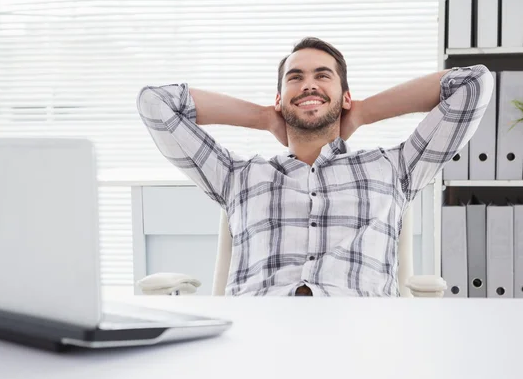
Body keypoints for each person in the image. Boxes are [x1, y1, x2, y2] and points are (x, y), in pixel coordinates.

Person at [136, 37, 493, 297]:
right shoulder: (236, 176)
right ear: (279, 98)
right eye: (295, 77)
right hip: (258, 342)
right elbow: (156, 103)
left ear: (345, 96)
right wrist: (263, 117)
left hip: (362, 343)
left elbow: (474, 84)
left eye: (323, 76)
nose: (308, 83)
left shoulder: (395, 168)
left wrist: (364, 112)